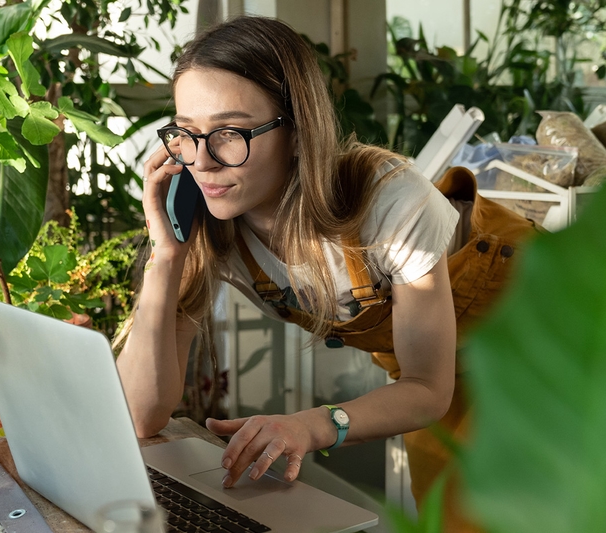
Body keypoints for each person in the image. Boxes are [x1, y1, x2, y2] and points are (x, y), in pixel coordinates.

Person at [114, 15, 538, 530]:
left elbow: (427, 386)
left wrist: (315, 424)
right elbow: (141, 415)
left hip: (541, 324)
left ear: (297, 133)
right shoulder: (212, 222)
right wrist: (165, 256)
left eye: (229, 132)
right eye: (186, 133)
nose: (201, 161)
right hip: (437, 360)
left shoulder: (390, 203)